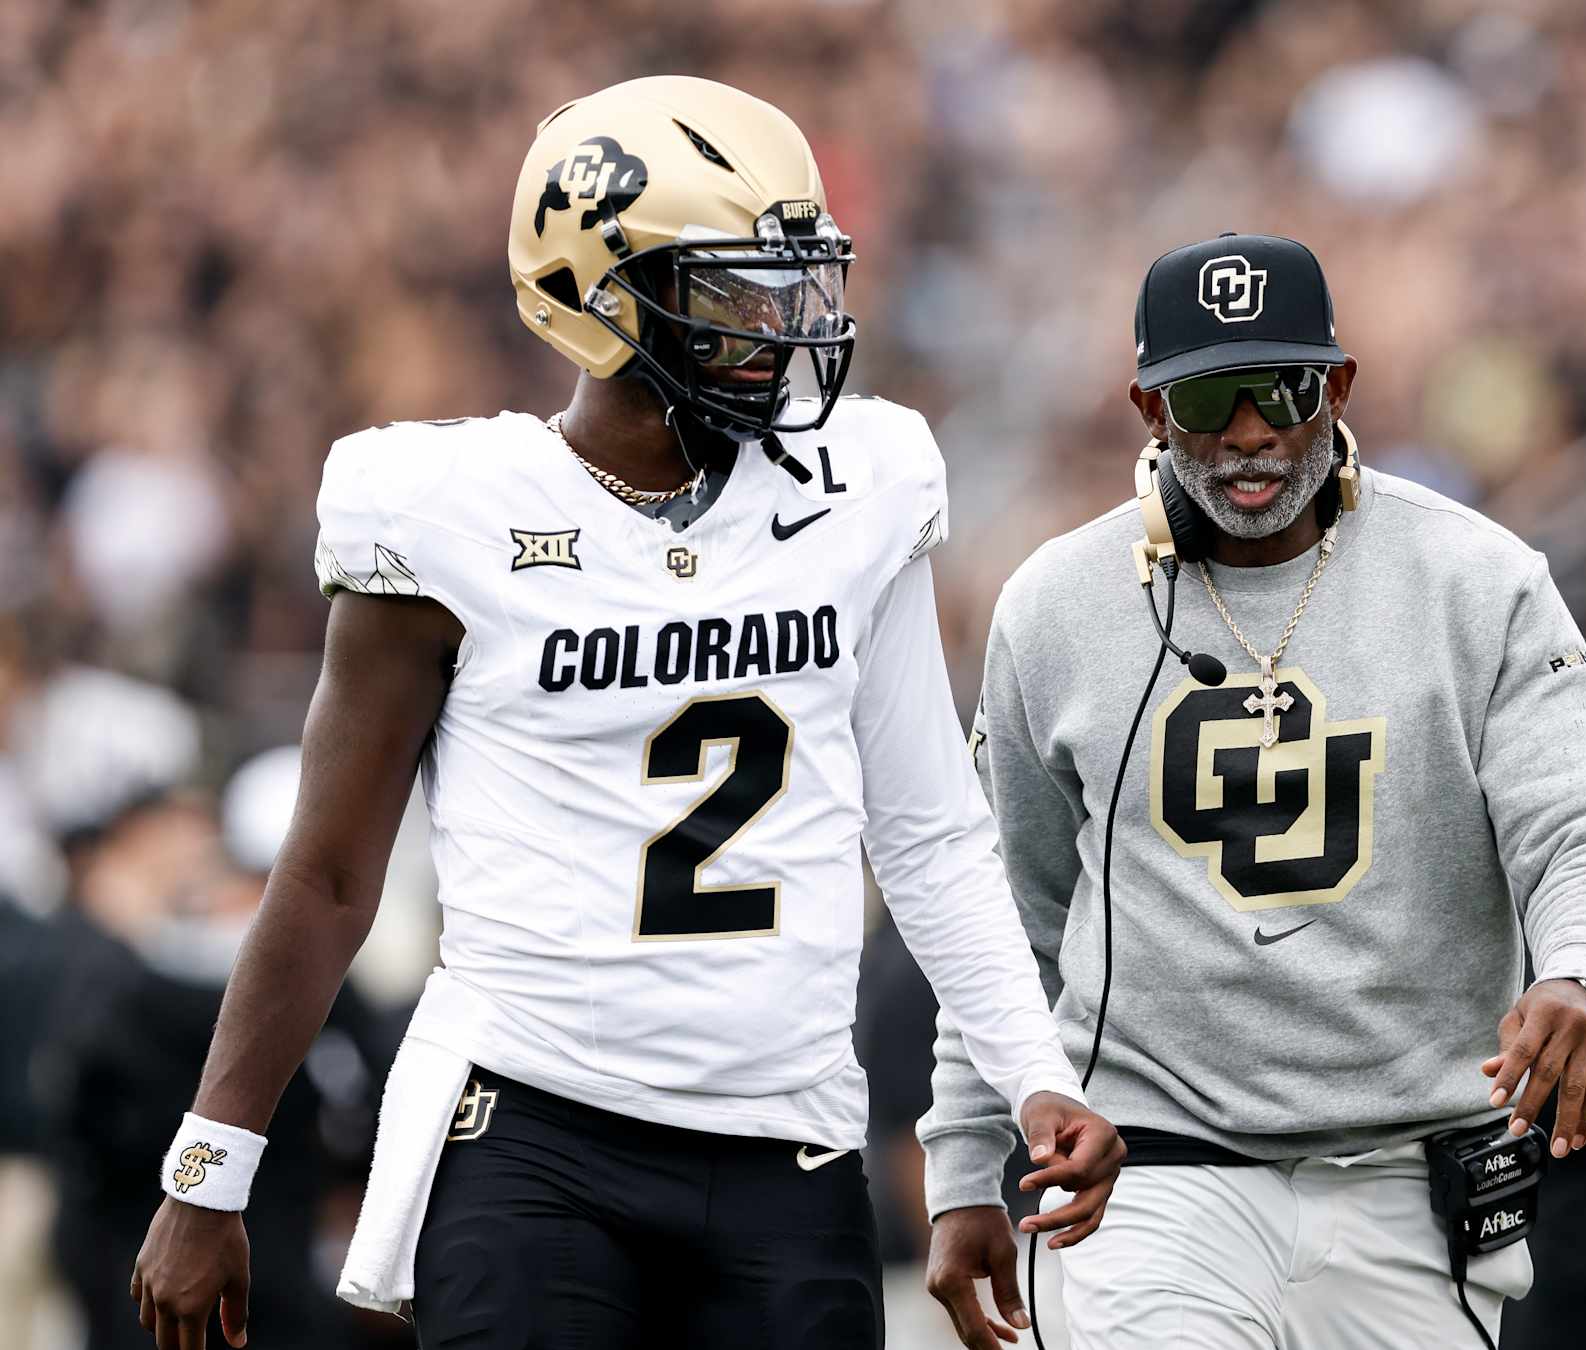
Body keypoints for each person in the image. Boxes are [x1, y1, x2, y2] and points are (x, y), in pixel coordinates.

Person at [130, 76, 1123, 1350]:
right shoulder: (446, 511)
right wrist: (210, 1166)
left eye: (797, 283)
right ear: (600, 301)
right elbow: (328, 877)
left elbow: (929, 833)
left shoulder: (858, 488)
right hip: (535, 1125)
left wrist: (1032, 1076)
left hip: (789, 1137)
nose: (783, 325)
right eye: (736, 292)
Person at [919, 233, 1586, 1349]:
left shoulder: (1481, 580)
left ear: (1340, 387)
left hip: (1411, 1175)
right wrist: (966, 1161)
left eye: (1283, 387)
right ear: (1149, 410)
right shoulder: (1054, 608)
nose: (1252, 430)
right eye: (1211, 397)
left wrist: (1580, 977)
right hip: (1151, 1166)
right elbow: (1004, 917)